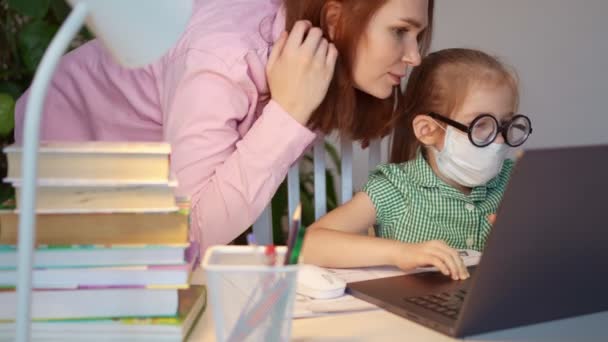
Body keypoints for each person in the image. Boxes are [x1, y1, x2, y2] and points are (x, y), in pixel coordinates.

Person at [14, 0, 434, 254]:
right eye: (400, 32)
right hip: (72, 136)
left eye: (419, 36)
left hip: (147, 162)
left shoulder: (303, 47)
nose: (414, 56)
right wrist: (287, 115)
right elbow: (192, 229)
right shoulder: (225, 59)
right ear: (337, 19)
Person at [302, 48, 533, 280]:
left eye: (505, 124)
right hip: (409, 313)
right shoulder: (395, 188)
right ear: (428, 131)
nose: (500, 140)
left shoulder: (516, 182)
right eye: (481, 125)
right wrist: (400, 252)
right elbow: (308, 245)